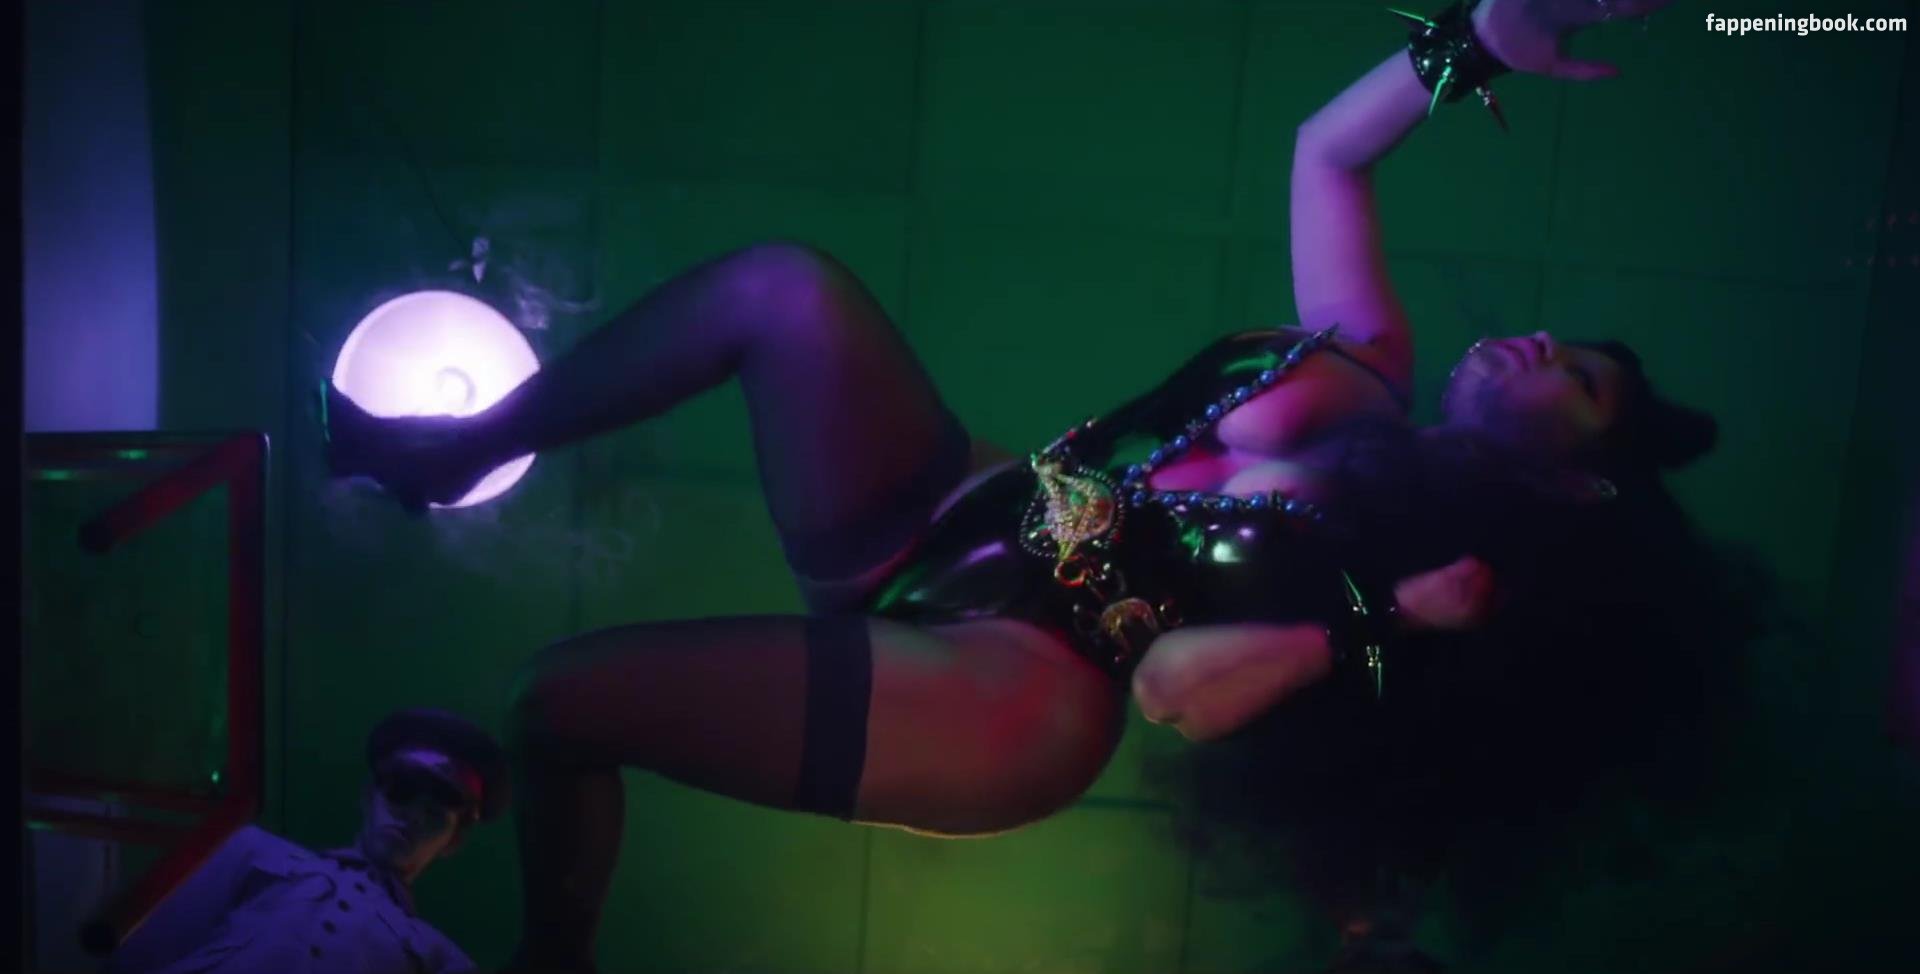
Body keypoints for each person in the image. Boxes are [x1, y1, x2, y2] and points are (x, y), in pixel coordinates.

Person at [318, 0, 1717, 969]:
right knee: (780, 287)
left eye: (1580, 381)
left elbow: (1174, 690)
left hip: (1021, 689)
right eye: (1569, 340)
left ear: (1575, 489)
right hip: (964, 512)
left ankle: (553, 961)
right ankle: (455, 447)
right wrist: (1482, 39)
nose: (1543, 343)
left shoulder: (1426, 603)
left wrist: (1391, 619)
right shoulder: (1366, 363)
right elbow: (1327, 149)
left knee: (556, 702)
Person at [104, 709, 509, 974]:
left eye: (436, 814)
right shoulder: (251, 850)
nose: (413, 817)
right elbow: (145, 951)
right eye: (401, 791)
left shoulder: (441, 958)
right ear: (369, 795)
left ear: (454, 840)